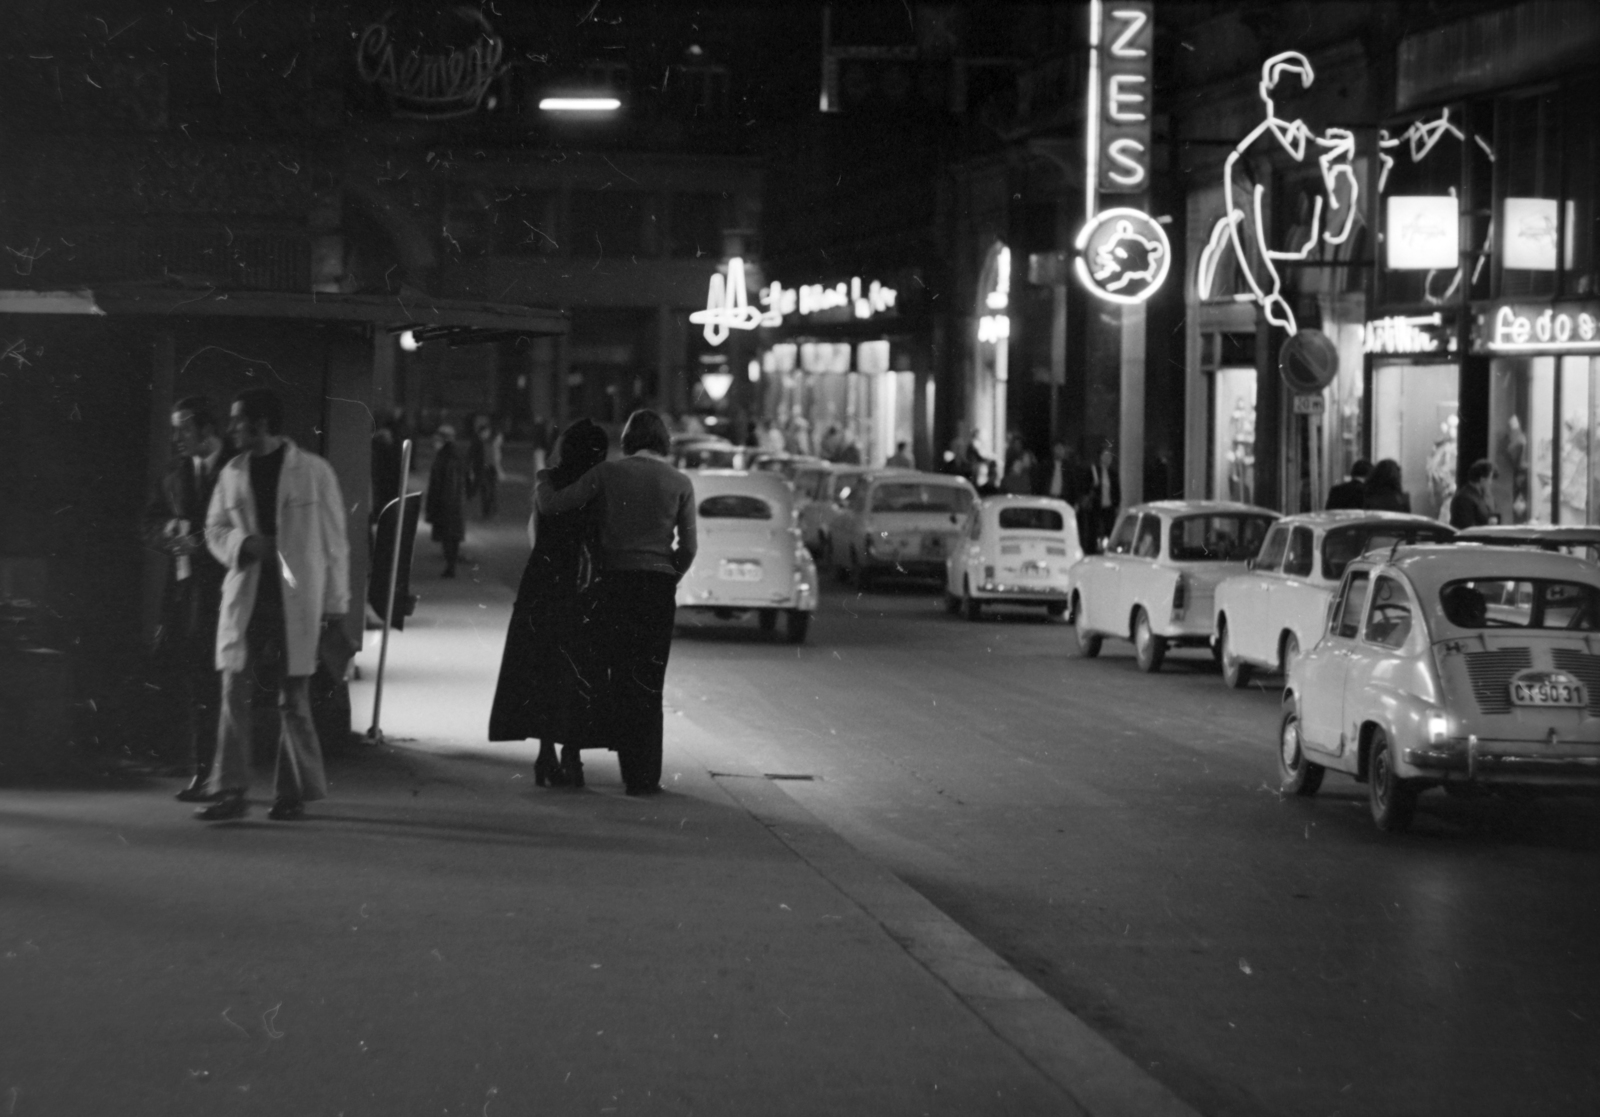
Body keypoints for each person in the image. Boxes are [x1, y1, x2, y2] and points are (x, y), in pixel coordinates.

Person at [196, 387, 349, 822]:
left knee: (293, 699)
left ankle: (291, 793)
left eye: (237, 420)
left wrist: (336, 605)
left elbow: (336, 544)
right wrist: (244, 544)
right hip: (249, 595)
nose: (231, 428)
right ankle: (230, 791)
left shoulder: (314, 471)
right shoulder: (232, 472)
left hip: (295, 600)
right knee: (234, 693)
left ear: (260, 423)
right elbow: (213, 528)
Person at [534, 410, 697, 796]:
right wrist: (668, 576)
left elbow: (555, 505)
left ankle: (625, 766)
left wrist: (542, 479)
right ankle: (644, 778)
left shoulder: (606, 474)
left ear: (627, 439)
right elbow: (689, 547)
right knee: (650, 684)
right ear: (663, 440)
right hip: (658, 588)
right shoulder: (680, 483)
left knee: (620, 678)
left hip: (615, 584)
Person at [488, 419, 610, 788]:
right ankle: (573, 754)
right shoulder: (600, 485)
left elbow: (536, 530)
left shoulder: (548, 482)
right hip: (584, 581)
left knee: (543, 665)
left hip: (544, 580)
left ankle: (546, 755)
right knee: (580, 666)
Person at [143, 396, 233, 802]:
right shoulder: (175, 470)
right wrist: (169, 535)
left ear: (207, 429)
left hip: (228, 586)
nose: (176, 437)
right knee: (195, 677)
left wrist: (207, 545)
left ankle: (218, 773)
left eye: (183, 428)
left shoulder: (236, 468)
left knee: (222, 683)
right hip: (186, 590)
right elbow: (151, 519)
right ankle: (202, 770)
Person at [425, 423, 468, 577]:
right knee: (452, 537)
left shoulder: (445, 457)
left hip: (446, 504)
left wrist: (436, 505)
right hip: (454, 504)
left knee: (447, 537)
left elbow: (443, 483)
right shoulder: (454, 455)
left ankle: (450, 567)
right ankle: (451, 565)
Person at [1086, 442, 1121, 551]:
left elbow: (1117, 491)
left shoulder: (1113, 473)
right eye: (1105, 455)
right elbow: (1087, 487)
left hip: (1109, 507)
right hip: (1096, 506)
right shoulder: (1094, 471)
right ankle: (1092, 549)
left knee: (1109, 529)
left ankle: (1107, 549)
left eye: (1109, 456)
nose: (1108, 458)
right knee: (1094, 529)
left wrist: (1117, 505)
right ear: (1100, 457)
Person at [1450, 458, 1500, 528]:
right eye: (1490, 479)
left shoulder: (1483, 497)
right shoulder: (1464, 498)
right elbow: (1466, 527)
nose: (1490, 483)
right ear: (1482, 480)